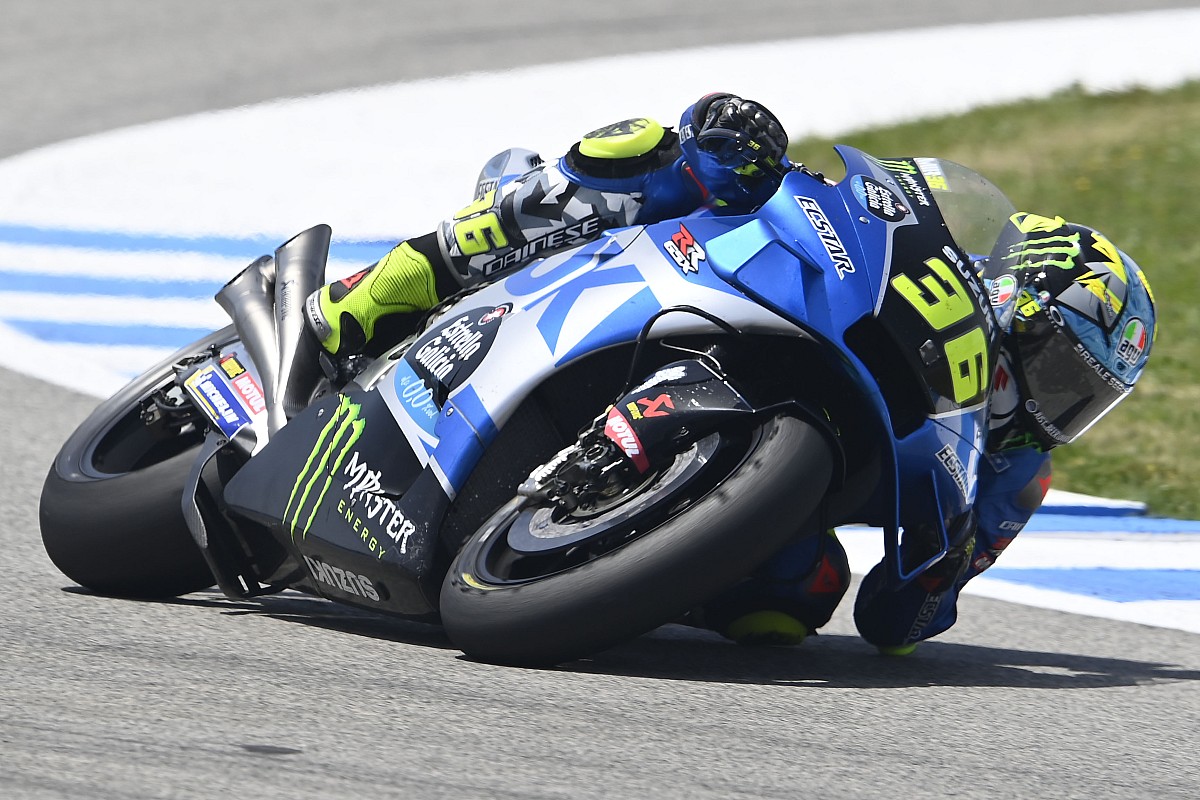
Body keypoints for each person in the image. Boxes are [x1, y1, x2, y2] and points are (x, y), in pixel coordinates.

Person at [304, 94, 1158, 654]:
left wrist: (945, 568)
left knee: (797, 598)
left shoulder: (1016, 474)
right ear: (1009, 293)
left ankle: (601, 566)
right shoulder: (940, 293)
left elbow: (897, 624)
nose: (1057, 405)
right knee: (644, 153)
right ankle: (384, 290)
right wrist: (740, 145)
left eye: (1085, 398)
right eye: (1057, 366)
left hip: (793, 467)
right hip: (705, 282)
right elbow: (849, 203)